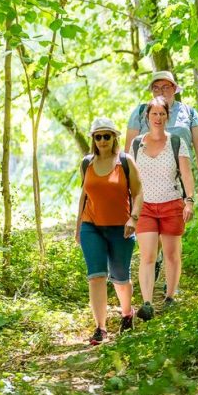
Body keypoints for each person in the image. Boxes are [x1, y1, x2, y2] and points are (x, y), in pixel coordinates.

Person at [75, 118, 143, 345]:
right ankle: (100, 328)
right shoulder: (87, 163)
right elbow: (84, 196)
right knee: (96, 276)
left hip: (121, 228)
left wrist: (134, 218)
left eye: (106, 136)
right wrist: (78, 226)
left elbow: (138, 193)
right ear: (93, 139)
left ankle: (127, 314)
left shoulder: (125, 161)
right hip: (91, 226)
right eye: (98, 136)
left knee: (120, 278)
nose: (102, 140)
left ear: (114, 137)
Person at [130, 97, 194, 321]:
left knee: (171, 255)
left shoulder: (176, 142)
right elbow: (131, 178)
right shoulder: (137, 144)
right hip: (145, 207)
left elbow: (186, 174)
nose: (158, 118)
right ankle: (147, 303)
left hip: (171, 204)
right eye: (154, 114)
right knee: (147, 255)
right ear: (147, 117)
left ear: (167, 116)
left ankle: (170, 298)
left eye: (162, 114)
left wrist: (189, 200)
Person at [125, 71, 198, 206]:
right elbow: (129, 154)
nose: (161, 92)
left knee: (178, 218)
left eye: (165, 87)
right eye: (156, 88)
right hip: (146, 183)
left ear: (174, 89)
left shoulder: (189, 113)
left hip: (180, 180)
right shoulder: (140, 113)